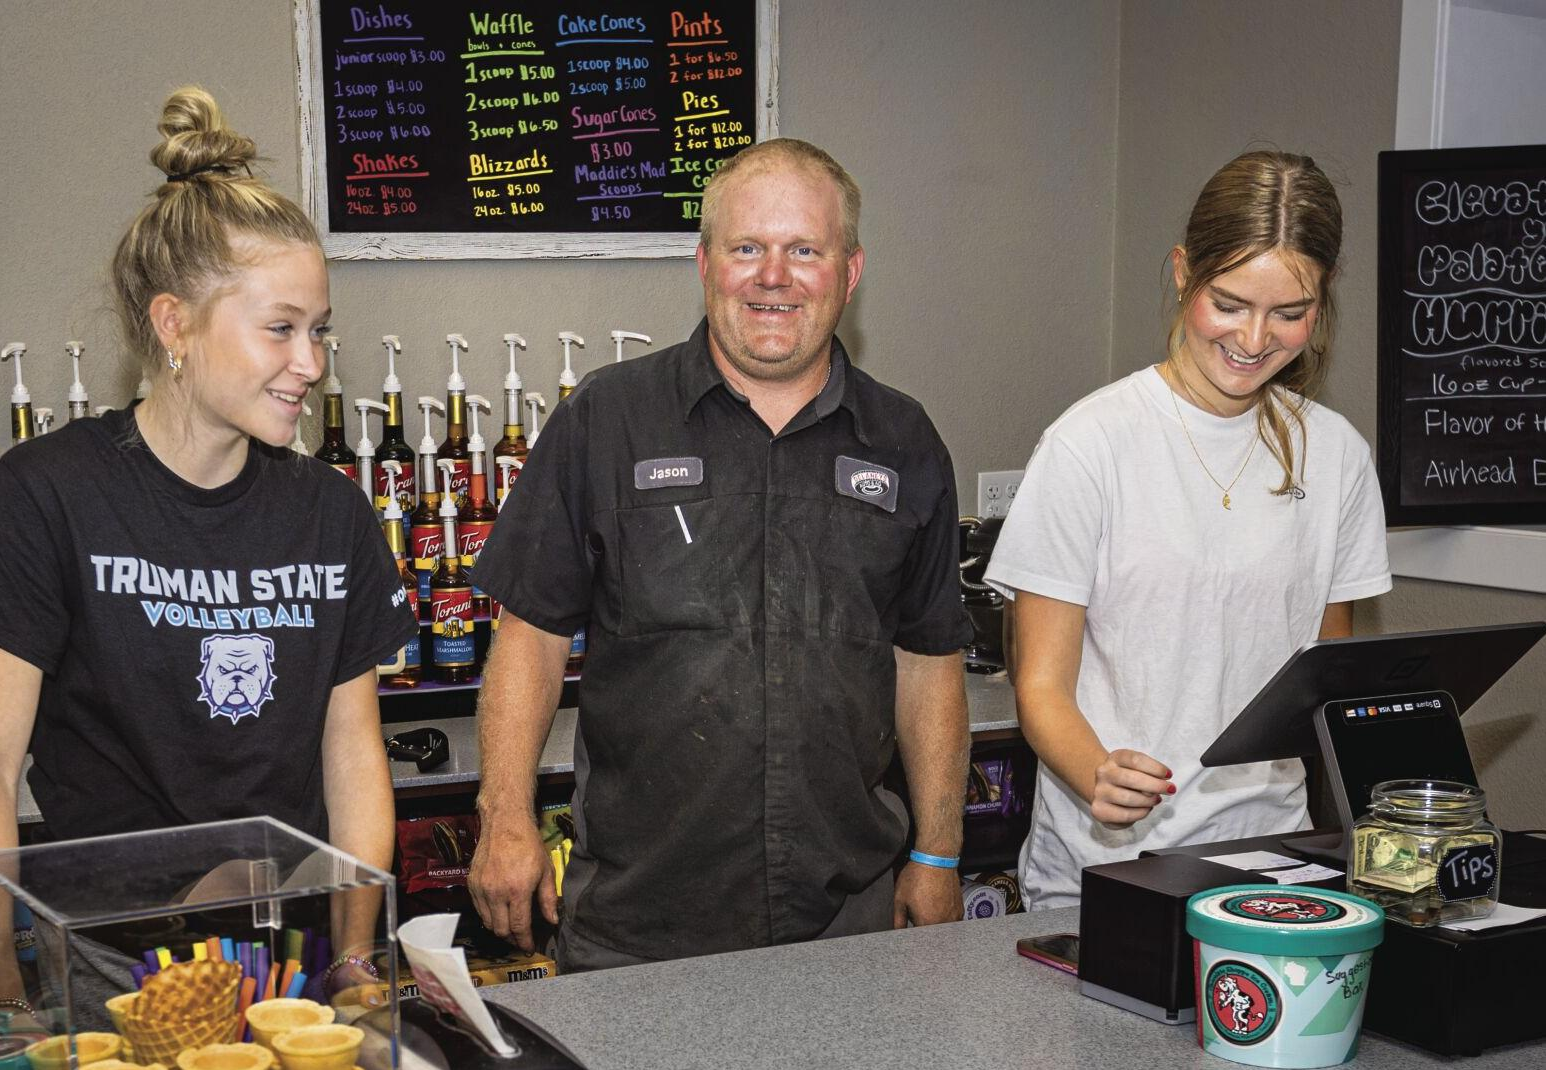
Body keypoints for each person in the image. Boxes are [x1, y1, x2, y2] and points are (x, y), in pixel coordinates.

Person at [467, 138, 972, 970]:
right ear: (706, 264)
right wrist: (506, 816)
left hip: (846, 923)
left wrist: (941, 853)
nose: (774, 276)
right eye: (748, 248)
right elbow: (531, 634)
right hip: (639, 922)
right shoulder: (608, 419)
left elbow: (928, 659)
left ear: (848, 273)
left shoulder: (905, 440)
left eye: (804, 250)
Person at [0, 87, 415, 1014]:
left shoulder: (330, 514)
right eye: (281, 328)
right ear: (174, 324)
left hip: (294, 960)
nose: (311, 363)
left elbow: (353, 753)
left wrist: (354, 961)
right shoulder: (46, 494)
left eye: (320, 332)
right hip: (108, 969)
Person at [984, 151, 1391, 910]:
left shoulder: (1336, 455)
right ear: (1182, 273)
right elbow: (1040, 685)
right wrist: (1095, 772)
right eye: (1230, 303)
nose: (1255, 338)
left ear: (1323, 300)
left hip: (1272, 859)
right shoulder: (1090, 443)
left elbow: (1325, 681)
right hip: (1108, 868)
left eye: (1289, 313)